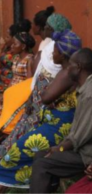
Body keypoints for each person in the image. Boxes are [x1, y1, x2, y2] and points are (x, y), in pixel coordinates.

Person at [0, 30, 82, 193]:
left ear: (62, 54)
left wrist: (45, 91)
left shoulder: (65, 74)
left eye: (55, 50)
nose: (52, 53)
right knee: (24, 142)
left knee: (21, 147)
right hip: (57, 122)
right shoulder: (68, 71)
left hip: (59, 127)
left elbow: (45, 97)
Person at [0, 13, 73, 160]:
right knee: (22, 125)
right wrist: (31, 96)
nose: (45, 29)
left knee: (27, 131)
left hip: (46, 102)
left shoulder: (61, 53)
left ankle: (4, 159)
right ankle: (0, 154)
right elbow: (38, 75)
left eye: (48, 27)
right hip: (36, 95)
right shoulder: (50, 47)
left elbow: (49, 83)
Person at [30, 48, 92, 194]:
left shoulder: (89, 94)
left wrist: (61, 148)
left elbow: (79, 137)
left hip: (86, 155)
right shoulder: (85, 88)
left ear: (78, 68)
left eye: (70, 65)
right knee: (41, 155)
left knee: (42, 164)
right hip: (82, 149)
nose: (67, 68)